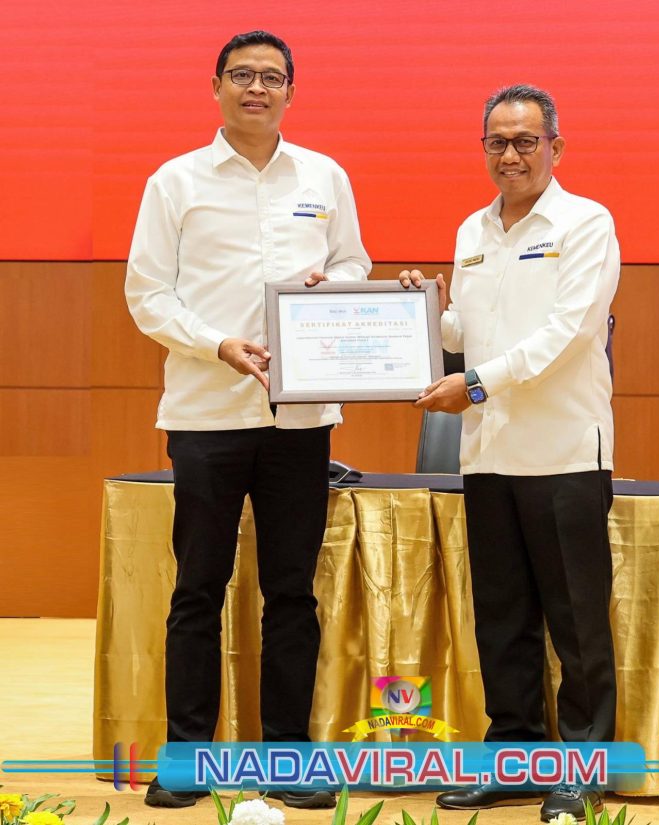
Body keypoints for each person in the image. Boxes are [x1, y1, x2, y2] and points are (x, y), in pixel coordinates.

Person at [125, 30, 370, 810]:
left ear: (292, 91)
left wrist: (330, 289)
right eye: (242, 75)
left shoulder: (325, 176)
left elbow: (356, 263)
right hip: (205, 412)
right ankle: (187, 758)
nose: (256, 88)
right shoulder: (175, 181)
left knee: (291, 591)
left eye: (271, 76)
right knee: (198, 588)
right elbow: (147, 294)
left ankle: (287, 758)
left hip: (300, 417)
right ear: (216, 86)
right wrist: (217, 344)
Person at [400, 84, 619, 822]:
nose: (511, 155)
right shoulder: (474, 228)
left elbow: (568, 332)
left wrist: (475, 384)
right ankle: (515, 760)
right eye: (497, 142)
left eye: (526, 141)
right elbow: (467, 331)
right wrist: (424, 307)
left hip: (563, 452)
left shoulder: (586, 223)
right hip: (489, 453)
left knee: (577, 622)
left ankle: (581, 771)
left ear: (556, 146)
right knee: (502, 619)